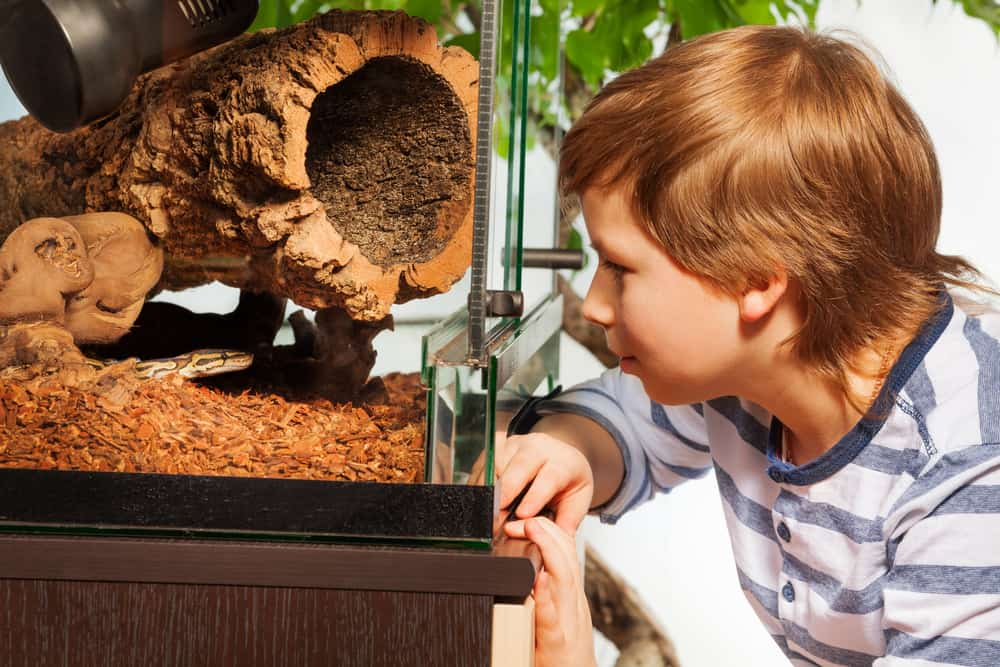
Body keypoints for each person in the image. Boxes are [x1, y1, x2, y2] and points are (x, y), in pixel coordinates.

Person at [498, 24, 1000, 667]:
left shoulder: (967, 474)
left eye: (619, 267)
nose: (594, 304)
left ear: (756, 281)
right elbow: (625, 422)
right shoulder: (756, 370)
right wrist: (566, 453)